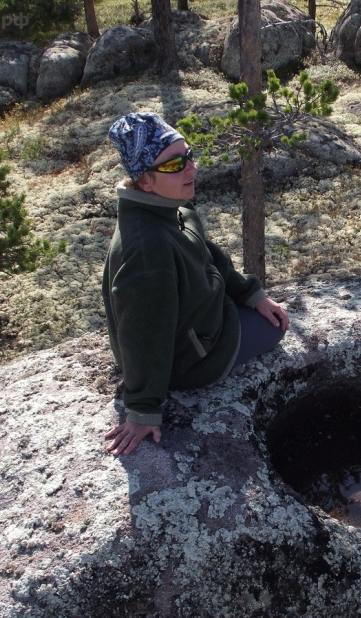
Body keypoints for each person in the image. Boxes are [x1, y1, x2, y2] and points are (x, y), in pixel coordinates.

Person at [102, 112, 289, 456]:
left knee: (270, 316)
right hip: (191, 357)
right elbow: (143, 331)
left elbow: (208, 256)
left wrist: (251, 293)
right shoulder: (148, 250)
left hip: (199, 321)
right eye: (174, 165)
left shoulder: (174, 210)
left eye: (188, 155)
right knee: (275, 330)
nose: (191, 168)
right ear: (145, 181)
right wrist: (143, 410)